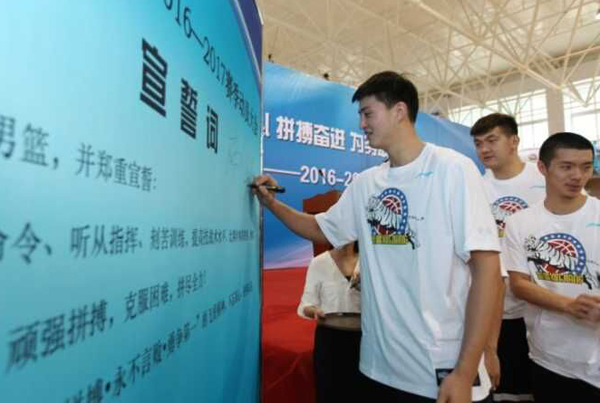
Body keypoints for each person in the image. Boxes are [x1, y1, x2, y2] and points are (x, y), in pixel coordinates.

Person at [253, 71, 502, 402]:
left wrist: (466, 371)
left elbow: (487, 271)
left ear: (399, 111)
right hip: (378, 368)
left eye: (368, 113)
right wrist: (271, 203)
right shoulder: (366, 183)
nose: (362, 124)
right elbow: (318, 228)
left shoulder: (453, 169)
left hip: (440, 369)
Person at [504, 132, 600, 401]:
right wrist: (569, 305)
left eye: (585, 167)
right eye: (566, 167)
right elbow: (519, 284)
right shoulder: (520, 223)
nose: (577, 176)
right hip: (549, 359)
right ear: (543, 168)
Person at [470, 113, 545, 402]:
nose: (484, 149)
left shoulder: (542, 180)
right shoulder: (475, 187)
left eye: (492, 140)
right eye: (478, 143)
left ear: (514, 141)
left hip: (540, 305)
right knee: (502, 388)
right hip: (494, 310)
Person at [297, 242, 361, 403]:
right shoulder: (319, 262)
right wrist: (313, 311)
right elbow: (305, 305)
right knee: (330, 393)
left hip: (364, 340)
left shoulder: (369, 261)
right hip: (330, 339)